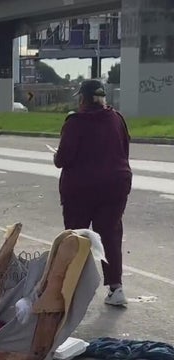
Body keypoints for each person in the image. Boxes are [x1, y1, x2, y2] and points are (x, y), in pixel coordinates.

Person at [53, 79, 132, 306]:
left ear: (82, 99)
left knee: (77, 236)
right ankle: (116, 289)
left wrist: (56, 157)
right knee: (110, 233)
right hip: (116, 185)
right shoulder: (117, 119)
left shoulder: (75, 122)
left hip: (81, 188)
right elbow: (124, 150)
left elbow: (63, 159)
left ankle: (74, 288)